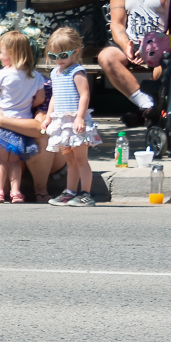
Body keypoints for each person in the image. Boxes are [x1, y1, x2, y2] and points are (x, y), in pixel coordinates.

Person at [0, 28, 50, 203]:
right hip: (23, 122)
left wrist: (0, 111)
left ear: (11, 53)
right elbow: (39, 99)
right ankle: (16, 193)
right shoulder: (37, 78)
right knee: (15, 160)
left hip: (4, 126)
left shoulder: (1, 75)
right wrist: (26, 106)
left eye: (0, 52)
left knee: (1, 159)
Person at [39, 26, 100, 207]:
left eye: (63, 55)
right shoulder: (55, 73)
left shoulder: (77, 72)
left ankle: (86, 193)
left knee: (81, 159)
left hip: (75, 122)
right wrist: (49, 117)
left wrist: (80, 117)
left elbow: (84, 95)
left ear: (75, 52)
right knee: (70, 160)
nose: (58, 60)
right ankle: (70, 191)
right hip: (62, 123)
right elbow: (55, 97)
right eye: (53, 56)